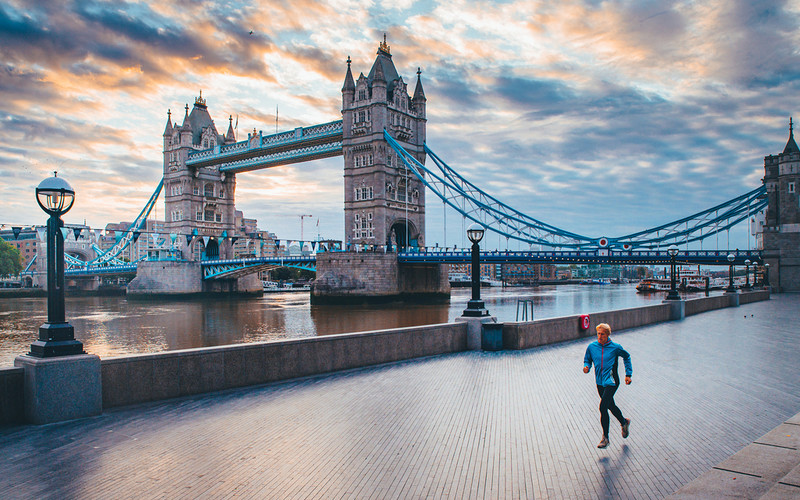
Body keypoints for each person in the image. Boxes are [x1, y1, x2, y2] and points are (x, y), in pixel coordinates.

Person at [583, 323, 632, 448]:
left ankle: (605, 438)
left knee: (603, 407)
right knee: (610, 405)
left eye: (602, 334)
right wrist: (587, 366)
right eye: (598, 334)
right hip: (599, 382)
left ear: (608, 335)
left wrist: (628, 374)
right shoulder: (592, 347)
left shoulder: (615, 347)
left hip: (612, 381)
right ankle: (624, 422)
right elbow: (587, 359)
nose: (600, 336)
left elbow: (627, 356)